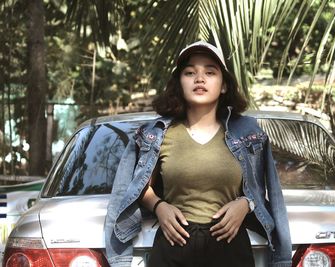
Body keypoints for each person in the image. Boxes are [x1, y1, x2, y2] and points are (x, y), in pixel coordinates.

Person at [105, 41, 292, 267]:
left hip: (230, 249)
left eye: (210, 72)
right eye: (190, 72)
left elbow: (261, 190)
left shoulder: (249, 134)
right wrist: (159, 206)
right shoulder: (157, 134)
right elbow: (139, 186)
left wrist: (246, 204)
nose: (199, 78)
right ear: (179, 83)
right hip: (173, 246)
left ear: (223, 85)